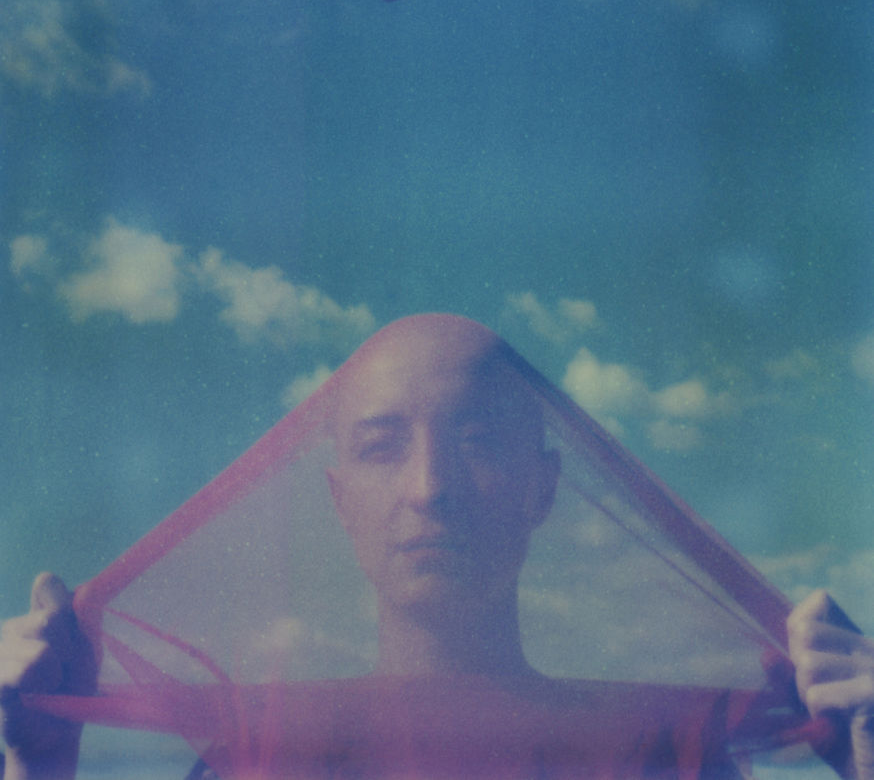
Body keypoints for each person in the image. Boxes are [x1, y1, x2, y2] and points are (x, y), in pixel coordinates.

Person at [2, 315, 873, 779]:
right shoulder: (254, 763)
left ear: (544, 486)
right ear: (339, 500)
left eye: (480, 439)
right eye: (383, 446)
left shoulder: (664, 756)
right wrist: (33, 768)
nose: (431, 487)